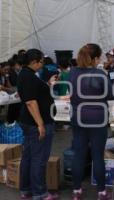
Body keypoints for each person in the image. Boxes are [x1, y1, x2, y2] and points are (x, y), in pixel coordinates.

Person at [69, 43, 112, 200]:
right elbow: (111, 94)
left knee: (79, 154)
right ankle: (101, 192)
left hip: (78, 117)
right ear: (94, 58)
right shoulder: (100, 74)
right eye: (99, 57)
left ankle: (77, 191)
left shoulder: (72, 73)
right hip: (97, 119)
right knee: (97, 156)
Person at [17, 49, 58, 200]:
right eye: (41, 61)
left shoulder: (26, 74)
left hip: (28, 122)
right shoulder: (28, 76)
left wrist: (48, 84)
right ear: (34, 62)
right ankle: (39, 193)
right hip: (36, 124)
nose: (43, 64)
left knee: (28, 157)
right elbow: (30, 102)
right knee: (38, 159)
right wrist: (40, 124)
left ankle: (26, 190)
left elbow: (34, 95)